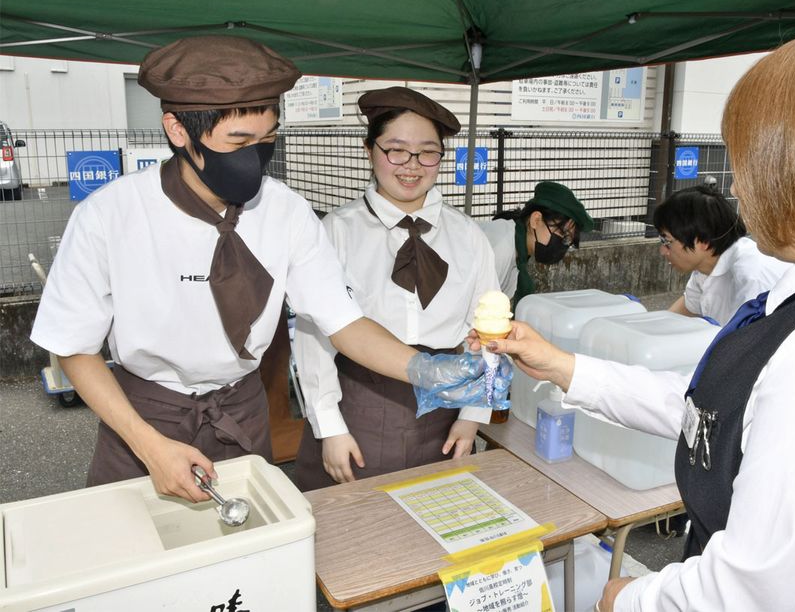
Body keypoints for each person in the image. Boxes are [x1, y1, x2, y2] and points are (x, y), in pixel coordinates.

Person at [473, 19, 795, 611]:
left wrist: (629, 598)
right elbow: (716, 415)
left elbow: (765, 591)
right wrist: (563, 366)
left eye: (747, 158)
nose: (739, 188)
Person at [29, 36, 508, 505]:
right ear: (178, 130)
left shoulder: (286, 212)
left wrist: (429, 368)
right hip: (141, 417)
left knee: (246, 566)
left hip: (241, 410)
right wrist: (149, 445)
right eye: (238, 141)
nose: (255, 156)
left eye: (268, 139)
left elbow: (341, 324)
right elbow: (75, 349)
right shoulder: (110, 214)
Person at [292, 86, 501, 490]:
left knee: (435, 526)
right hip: (358, 407)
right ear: (370, 150)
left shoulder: (468, 235)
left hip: (444, 412)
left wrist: (473, 414)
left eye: (427, 152)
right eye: (396, 150)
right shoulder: (336, 230)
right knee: (356, 531)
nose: (412, 165)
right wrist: (329, 426)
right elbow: (313, 336)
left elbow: (489, 332)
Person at [654, 184, 788, 325]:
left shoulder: (750, 280)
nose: (662, 250)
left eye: (666, 241)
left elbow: (744, 342)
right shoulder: (705, 267)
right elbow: (687, 307)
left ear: (702, 241)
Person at [478, 181, 593, 311]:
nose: (562, 245)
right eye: (562, 233)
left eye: (568, 240)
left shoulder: (517, 254)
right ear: (536, 220)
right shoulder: (499, 248)